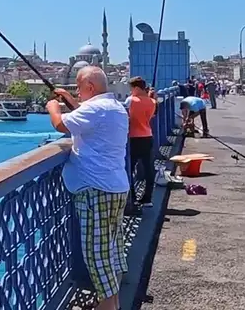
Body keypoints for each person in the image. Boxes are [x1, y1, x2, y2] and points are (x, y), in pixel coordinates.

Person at [46, 66, 129, 310]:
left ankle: (107, 305)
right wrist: (71, 100)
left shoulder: (95, 109)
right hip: (116, 186)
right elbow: (87, 117)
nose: (79, 94)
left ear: (90, 87)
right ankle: (113, 301)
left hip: (95, 189)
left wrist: (54, 108)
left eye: (79, 89)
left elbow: (61, 125)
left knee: (96, 254)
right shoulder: (116, 108)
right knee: (112, 247)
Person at [124, 77, 156, 209]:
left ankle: (131, 197)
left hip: (133, 138)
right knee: (148, 168)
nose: (131, 91)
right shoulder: (153, 101)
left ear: (136, 88)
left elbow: (126, 117)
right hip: (147, 136)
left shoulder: (130, 100)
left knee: (129, 168)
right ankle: (147, 198)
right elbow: (150, 116)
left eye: (131, 89)